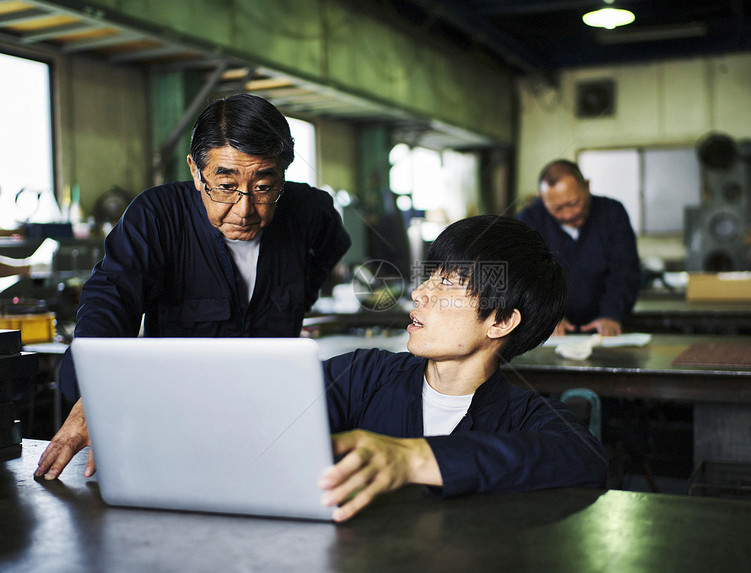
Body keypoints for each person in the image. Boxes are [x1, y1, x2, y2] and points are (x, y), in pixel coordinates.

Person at [34, 93, 351, 480]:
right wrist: (95, 396)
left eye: (265, 187)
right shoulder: (157, 216)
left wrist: (299, 293)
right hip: (175, 421)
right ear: (195, 171)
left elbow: (332, 247)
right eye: (225, 185)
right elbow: (111, 298)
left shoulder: (309, 210)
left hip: (270, 417)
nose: (245, 209)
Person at [318, 215, 607, 522]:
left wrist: (413, 459)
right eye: (430, 277)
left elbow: (586, 461)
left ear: (501, 321)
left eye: (445, 283)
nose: (418, 293)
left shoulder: (523, 417)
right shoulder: (365, 374)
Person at [516, 159, 640, 337]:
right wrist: (545, 316)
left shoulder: (612, 213)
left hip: (607, 329)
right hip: (550, 332)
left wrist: (611, 314)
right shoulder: (529, 220)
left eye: (573, 203)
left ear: (587, 186)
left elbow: (624, 271)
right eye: (557, 209)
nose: (568, 214)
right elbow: (524, 279)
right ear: (542, 199)